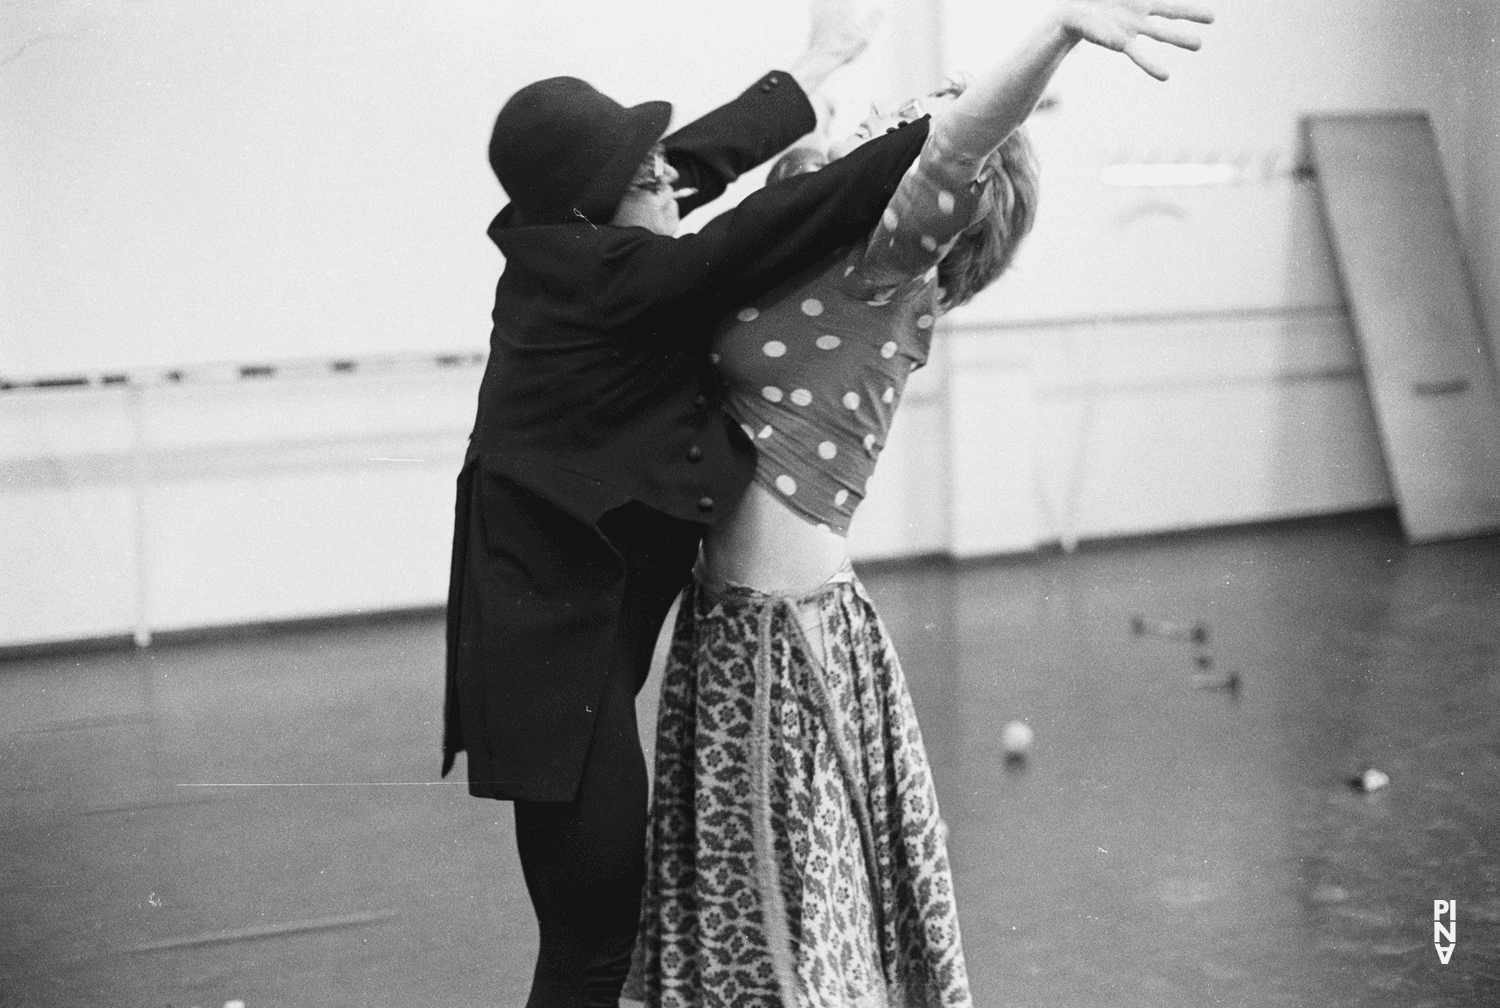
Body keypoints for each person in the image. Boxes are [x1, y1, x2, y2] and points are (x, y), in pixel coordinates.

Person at [626, 2, 1215, 1006]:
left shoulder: (888, 268)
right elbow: (740, 168)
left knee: (798, 939)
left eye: (921, 117)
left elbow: (959, 147)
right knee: (738, 938)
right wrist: (821, 65)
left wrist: (1059, 29)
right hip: (730, 637)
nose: (891, 127)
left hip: (786, 642)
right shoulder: (815, 253)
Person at [437, 3, 959, 1007]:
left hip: (559, 654)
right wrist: (934, 135)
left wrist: (820, 65)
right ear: (593, 205)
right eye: (637, 175)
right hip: (555, 683)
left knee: (595, 938)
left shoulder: (567, 239)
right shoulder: (614, 278)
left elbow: (695, 159)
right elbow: (763, 230)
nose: (663, 178)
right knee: (593, 942)